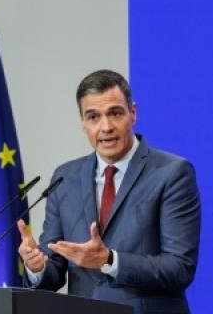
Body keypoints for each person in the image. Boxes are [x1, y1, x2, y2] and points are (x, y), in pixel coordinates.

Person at [17, 69, 201, 313]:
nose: (106, 127)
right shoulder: (65, 178)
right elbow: (54, 270)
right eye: (93, 117)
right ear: (83, 123)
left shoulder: (171, 172)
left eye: (115, 113)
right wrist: (37, 267)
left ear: (133, 113)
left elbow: (179, 268)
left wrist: (110, 260)